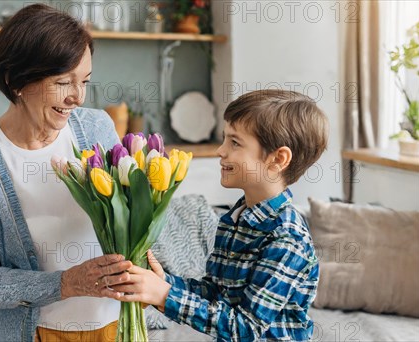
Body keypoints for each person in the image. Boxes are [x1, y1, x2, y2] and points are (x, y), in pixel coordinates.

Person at [0, 4, 132, 341]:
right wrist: (67, 283)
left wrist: (145, 256)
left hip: (116, 327)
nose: (77, 97)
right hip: (36, 334)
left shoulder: (96, 127)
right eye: (63, 82)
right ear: (14, 80)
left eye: (84, 81)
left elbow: (127, 217)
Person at [107, 90, 328, 341]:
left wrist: (166, 296)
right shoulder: (235, 219)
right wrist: (166, 283)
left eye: (235, 142)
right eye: (224, 139)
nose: (220, 151)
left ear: (278, 158)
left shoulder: (287, 239)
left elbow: (245, 328)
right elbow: (215, 292)